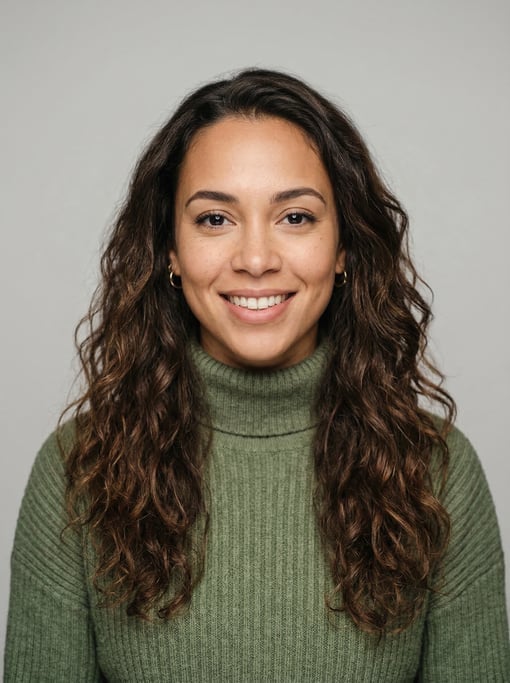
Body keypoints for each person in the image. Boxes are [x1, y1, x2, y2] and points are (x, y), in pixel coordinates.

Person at [5, 68, 509, 682]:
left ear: (344, 245)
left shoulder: (438, 472)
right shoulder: (76, 469)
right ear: (170, 249)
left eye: (295, 217)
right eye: (215, 219)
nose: (255, 259)